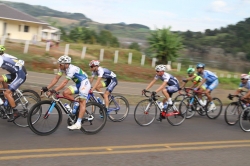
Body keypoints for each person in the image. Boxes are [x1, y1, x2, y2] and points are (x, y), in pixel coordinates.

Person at [41, 55, 90, 130]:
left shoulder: (72, 69)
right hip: (78, 84)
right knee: (65, 93)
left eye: (60, 64)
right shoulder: (62, 68)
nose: (59, 65)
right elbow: (56, 78)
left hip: (84, 83)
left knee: (82, 102)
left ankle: (78, 123)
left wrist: (54, 90)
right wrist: (47, 88)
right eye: (59, 64)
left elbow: (64, 82)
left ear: (66, 64)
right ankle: (76, 103)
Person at [0, 45, 26, 122]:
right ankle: (6, 98)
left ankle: (15, 112)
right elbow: (20, 60)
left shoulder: (1, 59)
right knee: (1, 79)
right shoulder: (5, 56)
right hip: (15, 73)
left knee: (7, 93)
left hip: (20, 75)